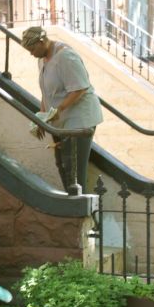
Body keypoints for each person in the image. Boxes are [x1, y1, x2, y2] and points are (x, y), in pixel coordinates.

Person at [21, 26, 103, 193]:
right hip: (60, 121)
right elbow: (46, 93)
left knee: (74, 169)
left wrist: (58, 110)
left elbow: (80, 88)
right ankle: (72, 202)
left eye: (32, 49)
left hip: (79, 119)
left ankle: (80, 206)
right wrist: (41, 119)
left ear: (42, 41)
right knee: (62, 165)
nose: (31, 54)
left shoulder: (66, 56)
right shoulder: (42, 60)